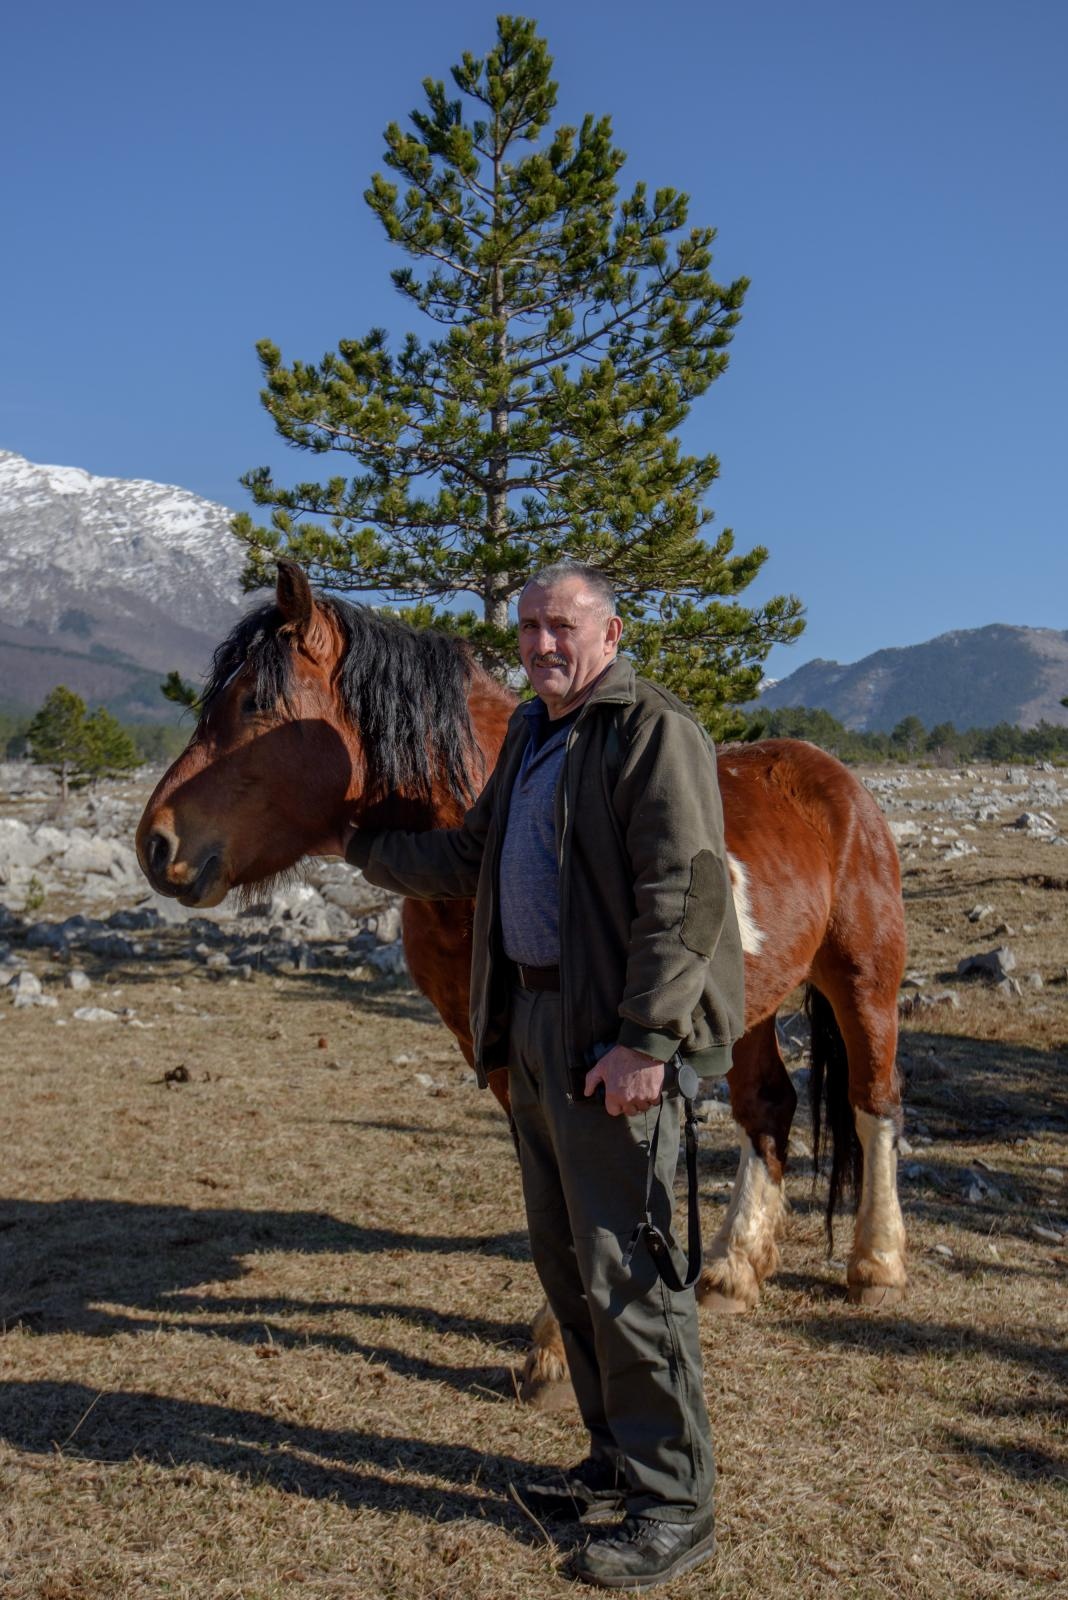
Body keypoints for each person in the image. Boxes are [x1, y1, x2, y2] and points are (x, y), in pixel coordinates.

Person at [345, 563, 745, 1589]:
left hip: (611, 1039)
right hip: (531, 1023)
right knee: (566, 1258)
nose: (541, 645)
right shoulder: (532, 733)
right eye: (527, 629)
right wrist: (359, 846)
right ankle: (616, 1462)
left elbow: (687, 895)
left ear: (610, 629)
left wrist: (647, 1041)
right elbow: (471, 857)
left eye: (560, 626)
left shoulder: (651, 731)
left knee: (630, 1271)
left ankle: (675, 1507)